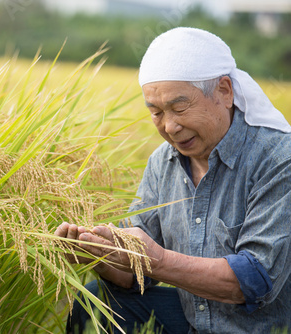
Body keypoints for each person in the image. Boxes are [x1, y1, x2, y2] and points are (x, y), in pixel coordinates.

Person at [55, 27, 291, 334]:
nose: (170, 126)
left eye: (179, 108)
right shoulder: (162, 162)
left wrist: (158, 260)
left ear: (224, 91)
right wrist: (99, 256)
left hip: (263, 327)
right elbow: (137, 273)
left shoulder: (278, 159)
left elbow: (254, 281)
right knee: (96, 301)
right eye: (156, 112)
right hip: (194, 321)